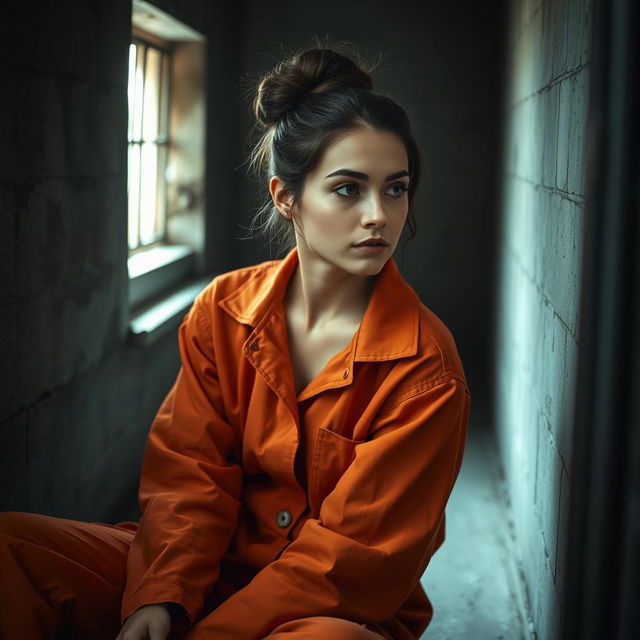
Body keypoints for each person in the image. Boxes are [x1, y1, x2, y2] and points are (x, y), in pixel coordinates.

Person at [0, 45, 471, 640]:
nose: (379, 215)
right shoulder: (223, 311)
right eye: (348, 189)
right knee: (11, 548)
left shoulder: (427, 370)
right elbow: (189, 474)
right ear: (286, 197)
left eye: (396, 188)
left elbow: (352, 559)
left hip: (323, 610)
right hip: (206, 572)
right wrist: (163, 599)